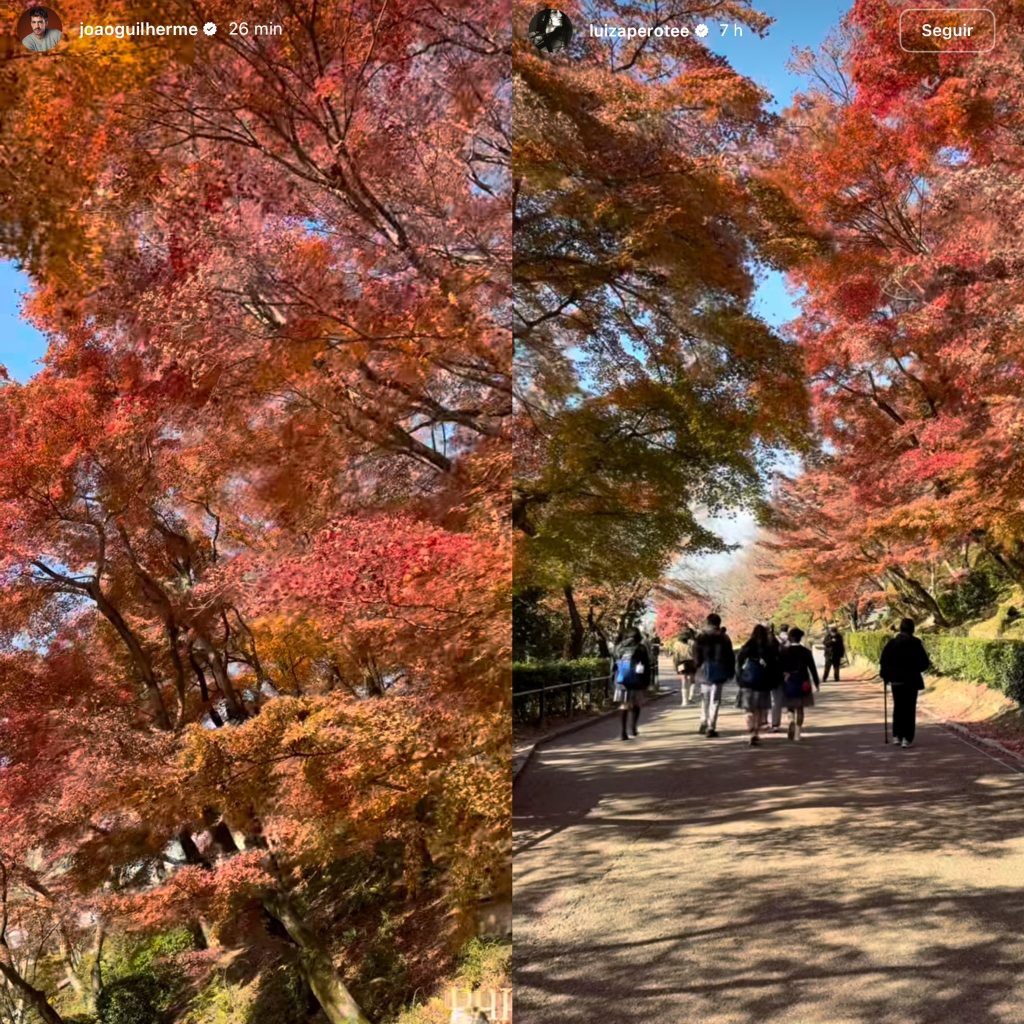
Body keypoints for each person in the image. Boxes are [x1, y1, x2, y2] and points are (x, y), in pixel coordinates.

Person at [880, 618, 931, 748]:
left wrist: (886, 676)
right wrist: (915, 670)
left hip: (896, 681)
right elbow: (925, 663)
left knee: (898, 707)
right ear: (912, 629)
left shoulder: (892, 643)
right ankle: (907, 738)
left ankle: (897, 735)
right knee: (909, 708)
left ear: (900, 628)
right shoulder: (916, 643)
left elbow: (884, 662)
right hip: (911, 681)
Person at [736, 625, 780, 746]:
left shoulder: (749, 645)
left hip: (748, 679)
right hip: (763, 680)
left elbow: (739, 659)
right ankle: (756, 732)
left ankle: (751, 731)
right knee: (760, 708)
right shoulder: (769, 647)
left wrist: (739, 675)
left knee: (748, 709)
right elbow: (774, 665)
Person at [694, 613, 734, 738]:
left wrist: (698, 665)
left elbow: (696, 653)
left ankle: (703, 721)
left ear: (707, 622)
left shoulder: (701, 636)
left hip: (704, 671)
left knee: (704, 698)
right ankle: (711, 726)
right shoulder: (724, 637)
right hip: (719, 671)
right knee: (715, 700)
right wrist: (731, 671)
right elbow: (730, 656)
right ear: (719, 623)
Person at [779, 626, 820, 741]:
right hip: (803, 681)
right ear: (800, 638)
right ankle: (797, 733)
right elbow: (812, 668)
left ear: (790, 638)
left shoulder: (784, 651)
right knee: (800, 708)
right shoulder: (806, 652)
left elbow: (779, 668)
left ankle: (791, 720)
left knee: (790, 706)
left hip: (789, 681)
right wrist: (816, 683)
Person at [611, 627, 651, 741]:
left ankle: (623, 732)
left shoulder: (619, 647)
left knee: (624, 705)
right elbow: (647, 666)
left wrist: (613, 681)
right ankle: (633, 727)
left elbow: (613, 666)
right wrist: (647, 682)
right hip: (637, 680)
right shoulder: (641, 648)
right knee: (636, 704)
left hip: (621, 680)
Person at [769, 623, 791, 732]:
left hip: (772, 674)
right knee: (786, 697)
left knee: (774, 700)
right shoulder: (790, 640)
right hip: (785, 673)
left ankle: (773, 723)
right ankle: (790, 720)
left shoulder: (773, 641)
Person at [675, 629, 698, 705]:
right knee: (692, 680)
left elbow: (675, 657)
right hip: (691, 662)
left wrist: (676, 667)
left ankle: (684, 700)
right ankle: (690, 697)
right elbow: (695, 654)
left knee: (684, 681)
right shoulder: (693, 643)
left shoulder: (676, 644)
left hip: (681, 663)